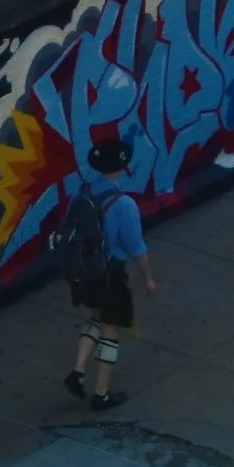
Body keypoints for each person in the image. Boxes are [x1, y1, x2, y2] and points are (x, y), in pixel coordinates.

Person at [63, 137, 155, 412]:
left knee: (95, 317)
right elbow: (136, 248)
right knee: (110, 329)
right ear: (122, 167)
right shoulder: (124, 205)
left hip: (84, 271)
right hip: (109, 274)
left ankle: (78, 370)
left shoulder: (84, 191)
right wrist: (147, 279)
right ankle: (101, 394)